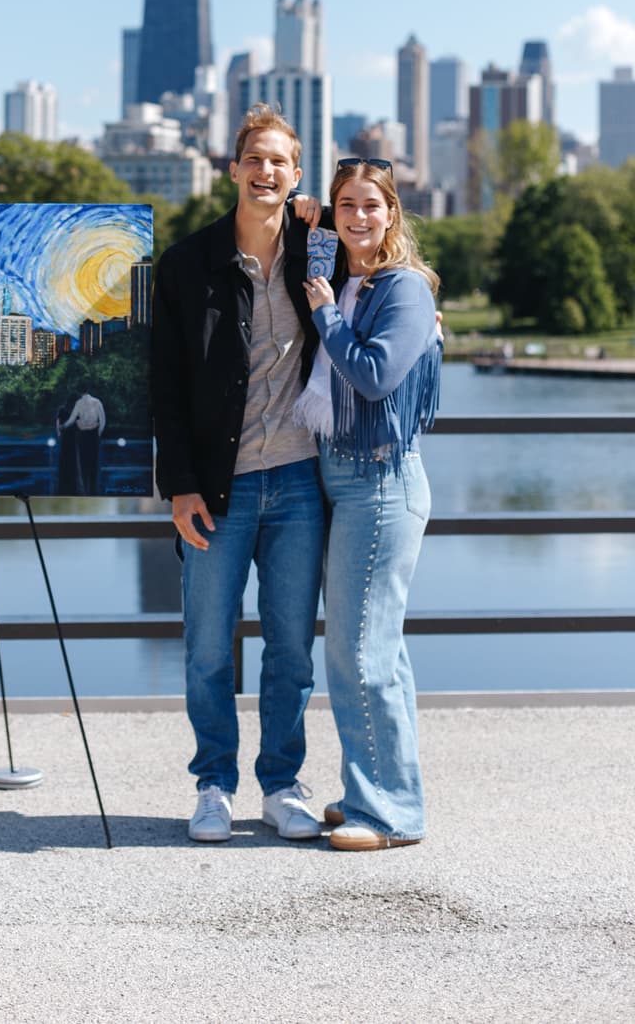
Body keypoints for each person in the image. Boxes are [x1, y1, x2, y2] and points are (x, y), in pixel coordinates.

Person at [153, 106, 327, 843]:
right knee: (205, 643)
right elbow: (165, 382)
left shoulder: (320, 253)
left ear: (295, 176)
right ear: (233, 170)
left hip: (299, 482)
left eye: (280, 163)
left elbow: (388, 271)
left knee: (291, 646)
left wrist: (433, 320)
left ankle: (282, 784)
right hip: (217, 489)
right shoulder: (188, 264)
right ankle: (213, 784)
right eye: (254, 160)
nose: (266, 172)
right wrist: (180, 484)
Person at [294, 158, 442, 851]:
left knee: (360, 650)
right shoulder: (350, 278)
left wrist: (325, 314)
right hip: (340, 475)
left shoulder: (403, 289)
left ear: (393, 215)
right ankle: (381, 788)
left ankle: (387, 814)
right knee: (377, 648)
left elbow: (376, 376)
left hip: (380, 480)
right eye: (345, 205)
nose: (357, 217)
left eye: (371, 206)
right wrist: (306, 218)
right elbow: (306, 239)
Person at [61, 389, 106, 492]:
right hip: (94, 434)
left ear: (81, 393)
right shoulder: (97, 401)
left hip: (83, 435)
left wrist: (63, 426)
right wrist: (98, 433)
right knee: (94, 463)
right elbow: (103, 421)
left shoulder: (79, 403)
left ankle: (85, 489)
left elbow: (72, 419)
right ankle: (94, 489)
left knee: (83, 463)